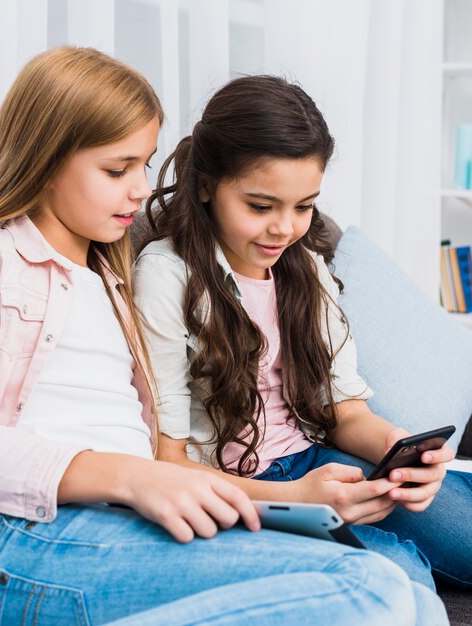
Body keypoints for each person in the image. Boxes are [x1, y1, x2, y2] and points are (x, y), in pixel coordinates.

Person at [0, 46, 441, 626]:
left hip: (148, 518)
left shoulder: (111, 281)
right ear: (43, 158)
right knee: (368, 587)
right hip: (31, 532)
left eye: (144, 166)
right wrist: (135, 475)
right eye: (117, 169)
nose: (141, 190)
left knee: (408, 596)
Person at [133, 74, 471, 596]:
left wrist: (396, 448)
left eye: (304, 205)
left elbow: (342, 409)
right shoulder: (166, 275)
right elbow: (167, 460)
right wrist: (299, 498)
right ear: (206, 185)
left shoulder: (306, 268)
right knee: (399, 585)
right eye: (260, 207)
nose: (284, 230)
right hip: (238, 489)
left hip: (319, 461)